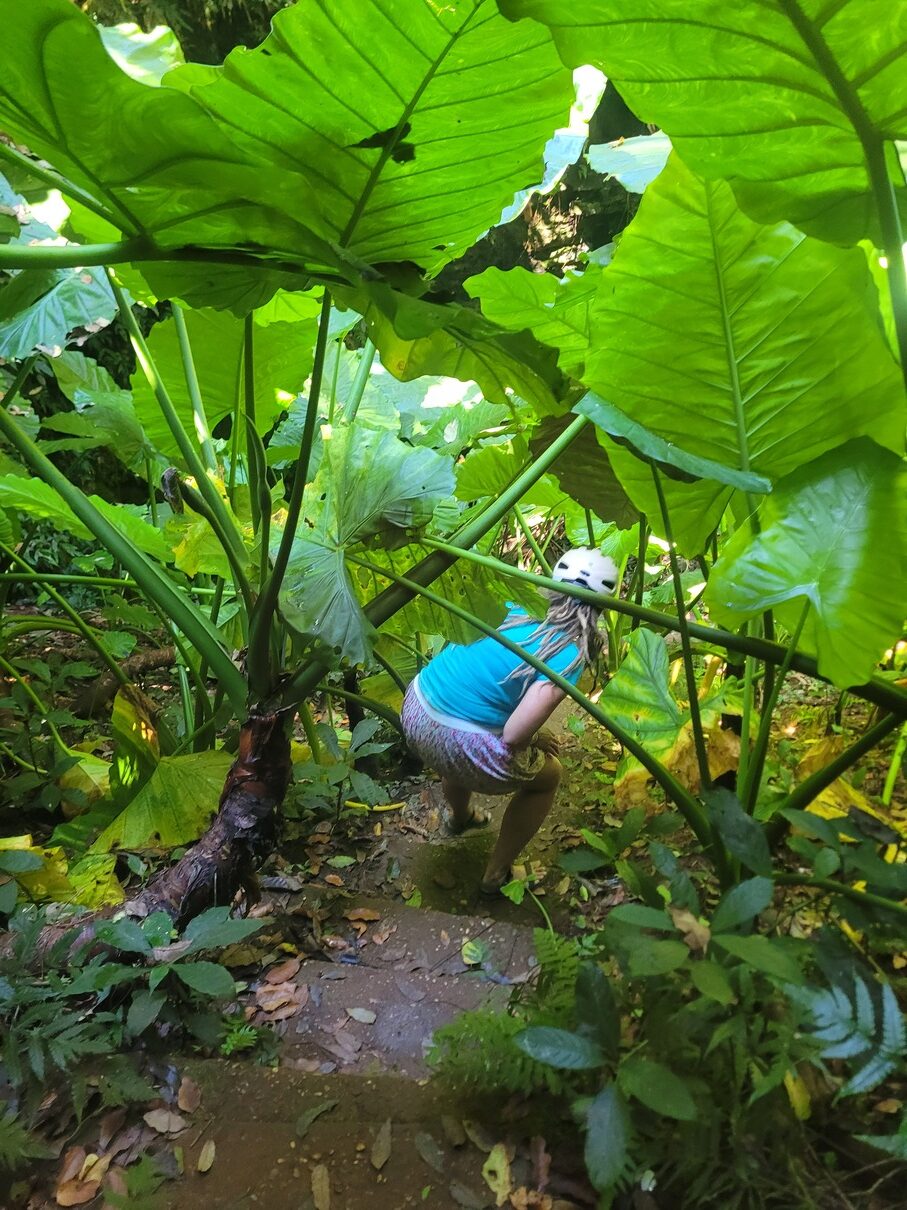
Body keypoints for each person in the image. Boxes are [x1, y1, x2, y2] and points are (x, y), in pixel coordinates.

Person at [401, 548, 618, 894]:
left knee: (458, 742)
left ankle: (459, 818)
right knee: (548, 777)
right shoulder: (566, 652)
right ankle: (496, 875)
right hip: (456, 739)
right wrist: (536, 737)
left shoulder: (512, 605)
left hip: (416, 707)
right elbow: (516, 735)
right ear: (602, 606)